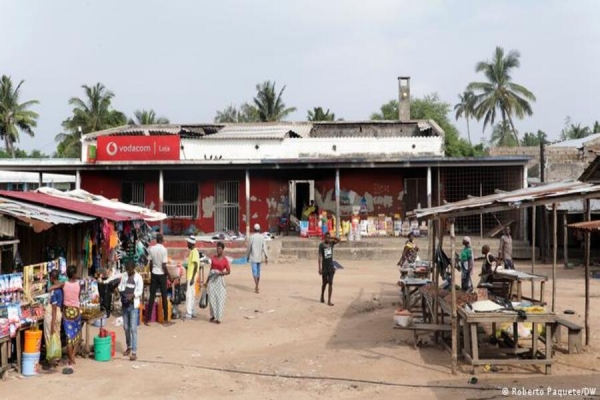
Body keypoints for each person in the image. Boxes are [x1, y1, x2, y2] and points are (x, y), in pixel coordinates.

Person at [146, 233, 173, 327]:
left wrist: (151, 273)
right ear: (162, 240)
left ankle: (148, 319)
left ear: (156, 240)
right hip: (161, 275)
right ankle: (165, 320)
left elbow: (150, 263)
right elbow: (164, 266)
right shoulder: (164, 250)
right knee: (164, 296)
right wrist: (169, 276)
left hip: (154, 273)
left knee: (151, 296)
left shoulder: (151, 249)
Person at [119, 261, 143, 361]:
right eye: (127, 270)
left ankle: (134, 351)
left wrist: (133, 295)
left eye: (129, 270)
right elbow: (120, 286)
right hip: (125, 305)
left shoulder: (138, 278)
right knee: (126, 327)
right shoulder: (124, 276)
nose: (128, 272)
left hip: (133, 305)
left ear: (133, 269)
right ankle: (129, 346)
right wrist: (121, 291)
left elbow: (140, 291)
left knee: (133, 328)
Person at [205, 242, 231, 324]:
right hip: (212, 280)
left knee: (219, 299)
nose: (218, 250)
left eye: (220, 248)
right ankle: (213, 315)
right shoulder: (213, 258)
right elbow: (210, 270)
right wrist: (207, 281)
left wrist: (221, 273)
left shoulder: (225, 260)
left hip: (219, 281)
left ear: (223, 250)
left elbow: (228, 271)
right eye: (217, 248)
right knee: (211, 299)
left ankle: (218, 317)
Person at [62, 265, 81, 372]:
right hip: (76, 311)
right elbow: (79, 296)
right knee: (76, 336)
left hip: (66, 312)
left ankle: (71, 359)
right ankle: (72, 357)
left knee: (68, 338)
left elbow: (54, 287)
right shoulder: (79, 284)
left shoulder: (64, 284)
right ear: (74, 274)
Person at [44, 270, 62, 367]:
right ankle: (57, 357)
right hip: (58, 313)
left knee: (50, 336)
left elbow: (54, 309)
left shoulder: (54, 291)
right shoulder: (60, 287)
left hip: (53, 314)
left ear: (51, 278)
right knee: (57, 336)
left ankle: (52, 358)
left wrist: (52, 324)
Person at [318, 232, 340, 306]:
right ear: (324, 238)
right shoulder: (321, 245)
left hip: (331, 266)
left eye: (328, 237)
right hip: (324, 266)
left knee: (330, 283)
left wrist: (332, 237)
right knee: (324, 283)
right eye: (326, 237)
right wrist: (319, 268)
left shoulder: (331, 244)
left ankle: (329, 301)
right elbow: (320, 257)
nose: (327, 239)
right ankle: (322, 296)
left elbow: (339, 240)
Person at [247, 223, 268, 294]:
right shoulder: (262, 237)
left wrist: (247, 256)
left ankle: (256, 285)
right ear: (259, 229)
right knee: (258, 273)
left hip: (253, 257)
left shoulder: (251, 237)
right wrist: (266, 257)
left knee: (254, 272)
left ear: (254, 229)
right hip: (259, 257)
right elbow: (264, 247)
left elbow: (249, 248)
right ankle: (257, 285)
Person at [185, 235, 200, 319]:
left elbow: (196, 265)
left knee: (189, 295)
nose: (187, 244)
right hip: (192, 276)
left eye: (188, 243)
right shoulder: (194, 252)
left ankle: (189, 313)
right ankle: (193, 311)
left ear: (191, 243)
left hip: (191, 277)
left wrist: (192, 278)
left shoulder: (194, 252)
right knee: (192, 294)